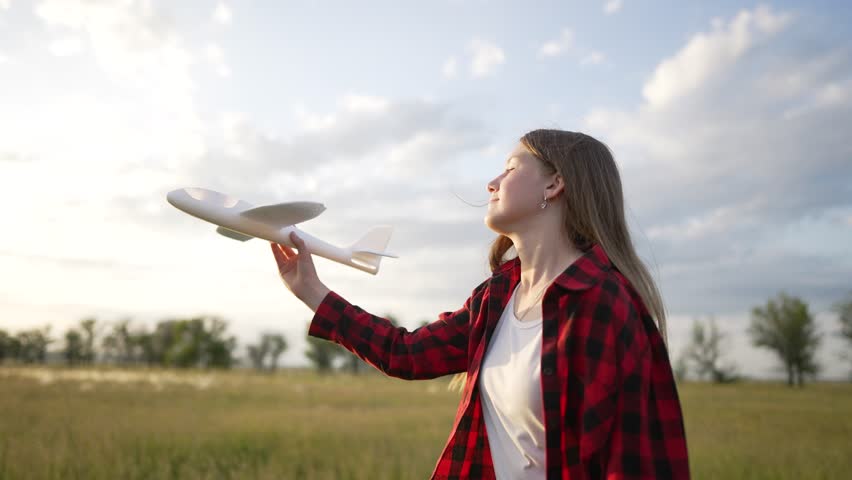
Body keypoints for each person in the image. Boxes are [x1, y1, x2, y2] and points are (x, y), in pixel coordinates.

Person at [270, 129, 690, 479]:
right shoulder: (497, 297)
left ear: (554, 183)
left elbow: (634, 464)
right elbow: (408, 353)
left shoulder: (603, 304)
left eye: (509, 168)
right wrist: (312, 292)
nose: (491, 182)